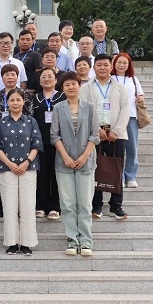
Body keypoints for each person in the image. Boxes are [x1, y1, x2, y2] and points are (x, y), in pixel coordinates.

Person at [51, 71, 100, 256]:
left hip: (86, 161)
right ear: (62, 88)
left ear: (80, 85)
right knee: (68, 203)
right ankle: (72, 238)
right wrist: (66, 157)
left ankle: (86, 240)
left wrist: (84, 156)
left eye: (74, 83)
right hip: (64, 162)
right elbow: (54, 135)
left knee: (85, 204)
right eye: (67, 85)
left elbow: (95, 135)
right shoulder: (58, 108)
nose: (71, 87)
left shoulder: (90, 107)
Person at [80, 54, 130, 220]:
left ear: (111, 67)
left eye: (105, 65)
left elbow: (125, 110)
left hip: (117, 135)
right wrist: (97, 129)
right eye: (99, 65)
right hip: (95, 135)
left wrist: (116, 130)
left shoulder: (120, 87)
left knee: (117, 168)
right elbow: (84, 110)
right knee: (95, 169)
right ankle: (97, 205)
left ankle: (116, 206)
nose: (102, 68)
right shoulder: (86, 88)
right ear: (94, 67)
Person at [0, 88, 43, 256]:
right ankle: (12, 243)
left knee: (28, 206)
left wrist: (26, 162)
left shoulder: (31, 121)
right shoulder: (1, 123)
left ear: (24, 102)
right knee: (9, 207)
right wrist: (9, 164)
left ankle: (27, 243)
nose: (15, 103)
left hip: (28, 168)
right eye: (12, 100)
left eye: (18, 100)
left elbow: (37, 144)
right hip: (7, 169)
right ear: (7, 102)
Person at [32, 68, 66, 220]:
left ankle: (55, 207)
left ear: (56, 80)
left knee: (56, 174)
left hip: (59, 142)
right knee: (42, 175)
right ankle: (42, 206)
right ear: (39, 81)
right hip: (40, 142)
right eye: (43, 77)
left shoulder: (63, 96)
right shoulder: (35, 98)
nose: (46, 79)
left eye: (50, 76)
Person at [112, 52, 144, 189]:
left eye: (125, 63)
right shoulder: (110, 78)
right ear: (114, 64)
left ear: (129, 65)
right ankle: (118, 176)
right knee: (116, 148)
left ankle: (130, 176)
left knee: (132, 148)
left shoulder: (133, 79)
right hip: (114, 116)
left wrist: (140, 99)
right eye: (119, 62)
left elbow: (140, 94)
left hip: (131, 116)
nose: (122, 65)